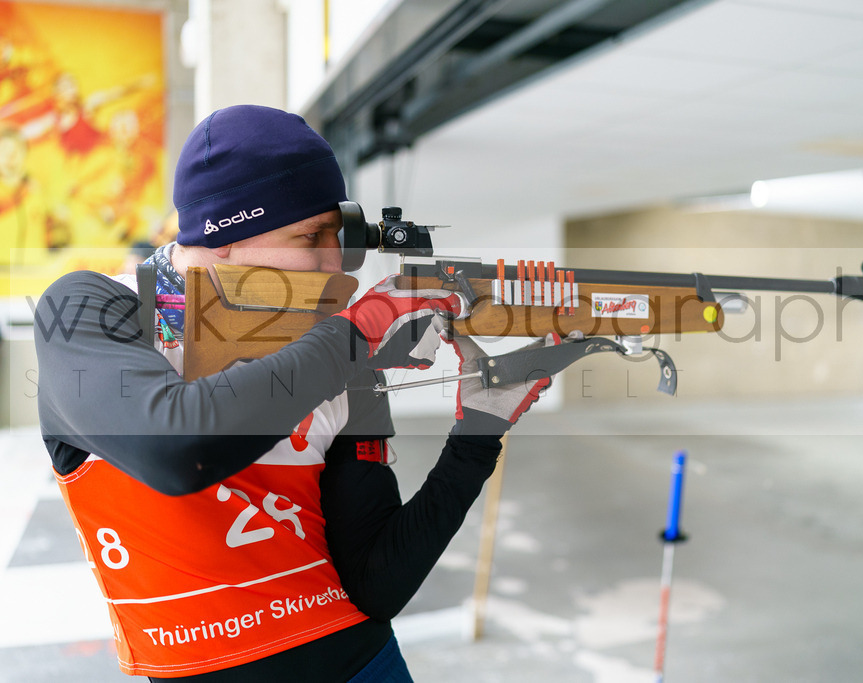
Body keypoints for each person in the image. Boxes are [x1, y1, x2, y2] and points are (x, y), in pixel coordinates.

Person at [33, 105, 555, 681]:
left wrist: (478, 432)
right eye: (310, 235)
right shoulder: (92, 306)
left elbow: (376, 588)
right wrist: (358, 331)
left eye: (338, 232)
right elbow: (176, 450)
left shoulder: (330, 345)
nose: (334, 260)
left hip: (367, 666)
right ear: (223, 236)